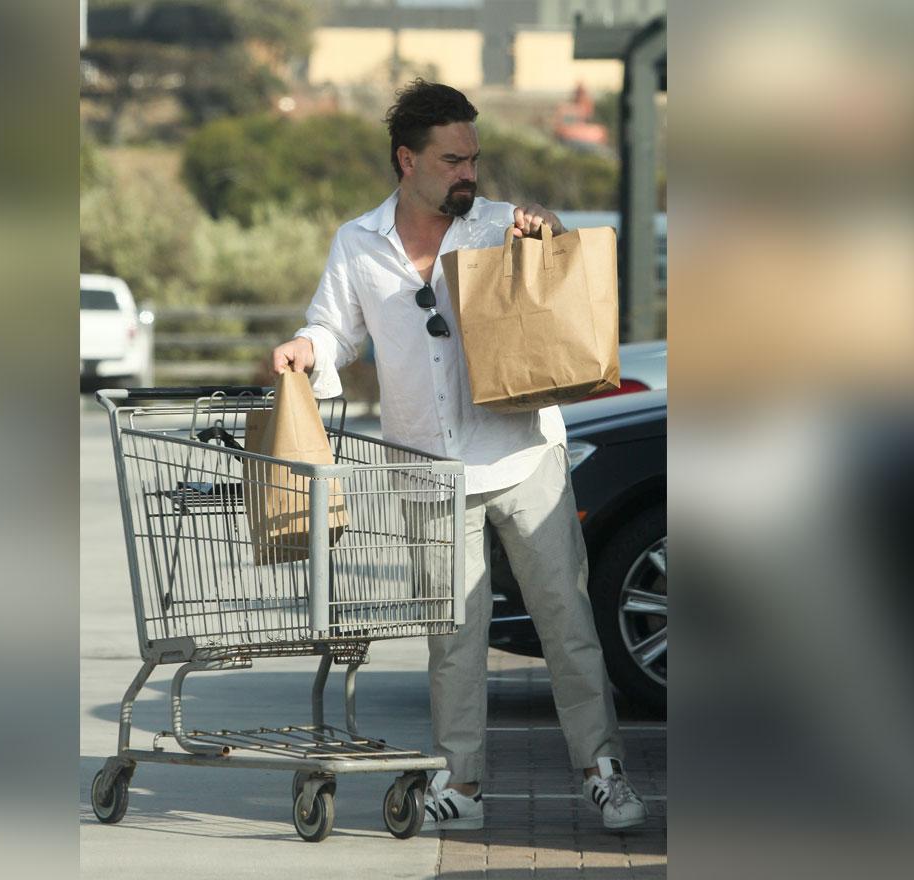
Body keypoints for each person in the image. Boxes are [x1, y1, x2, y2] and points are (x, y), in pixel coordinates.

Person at [268, 79, 646, 832]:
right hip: (426, 467)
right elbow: (335, 327)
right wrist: (305, 348)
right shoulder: (358, 243)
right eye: (453, 159)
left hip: (522, 454)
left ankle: (603, 773)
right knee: (454, 640)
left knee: (565, 621)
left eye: (474, 157)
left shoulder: (504, 225)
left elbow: (561, 273)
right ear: (407, 160)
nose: (469, 171)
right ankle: (461, 787)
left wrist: (548, 237)